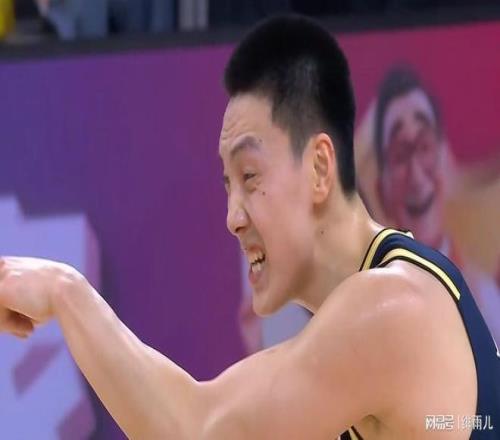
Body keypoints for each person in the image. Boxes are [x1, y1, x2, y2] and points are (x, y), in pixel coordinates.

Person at [0, 15, 498, 440]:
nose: (233, 217)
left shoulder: (390, 309)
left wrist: (65, 292)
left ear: (320, 168)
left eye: (250, 176)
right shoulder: (383, 305)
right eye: (228, 184)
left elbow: (195, 429)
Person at [373, 67, 500, 345]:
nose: (417, 175)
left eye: (425, 146)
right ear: (381, 191)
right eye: (400, 154)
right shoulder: (370, 311)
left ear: (446, 165)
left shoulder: (486, 300)